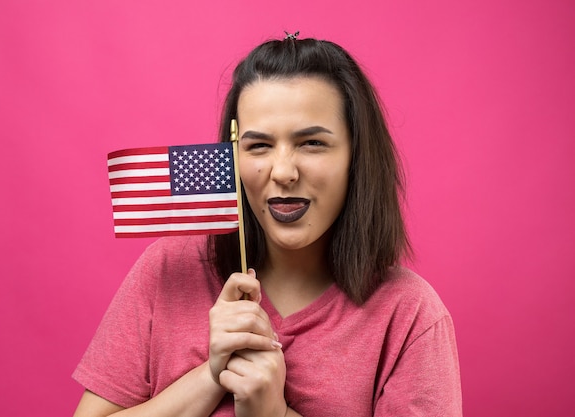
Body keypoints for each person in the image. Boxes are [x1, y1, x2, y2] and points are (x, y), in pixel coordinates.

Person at [72, 33, 462, 417]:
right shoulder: (166, 271)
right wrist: (211, 375)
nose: (283, 172)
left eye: (312, 143)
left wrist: (273, 413)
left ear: (355, 157)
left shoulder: (410, 315)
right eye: (258, 145)